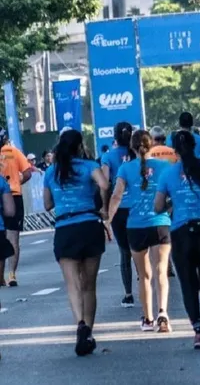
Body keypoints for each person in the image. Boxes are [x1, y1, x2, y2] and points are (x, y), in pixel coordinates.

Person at [155, 131, 200, 349]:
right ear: (195, 146)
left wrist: (171, 205)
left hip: (181, 231)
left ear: (174, 150)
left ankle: (198, 332)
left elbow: (157, 207)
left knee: (188, 284)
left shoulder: (168, 174)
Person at [42, 130, 110, 356]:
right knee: (89, 285)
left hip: (65, 228)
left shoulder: (51, 171)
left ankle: (79, 324)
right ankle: (88, 331)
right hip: (89, 224)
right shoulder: (89, 165)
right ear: (80, 146)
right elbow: (105, 184)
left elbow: (47, 204)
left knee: (73, 284)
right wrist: (102, 205)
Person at [109, 130, 173, 333]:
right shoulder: (164, 166)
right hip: (160, 223)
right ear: (151, 144)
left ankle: (147, 318)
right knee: (161, 271)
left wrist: (107, 220)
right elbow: (172, 193)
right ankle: (163, 312)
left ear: (132, 147)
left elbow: (117, 196)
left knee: (143, 275)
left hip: (135, 226)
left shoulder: (125, 168)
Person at [101, 122, 136, 307]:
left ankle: (128, 293)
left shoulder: (108, 156)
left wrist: (105, 209)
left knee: (125, 252)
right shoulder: (137, 155)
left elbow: (105, 184)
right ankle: (147, 285)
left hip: (119, 209)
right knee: (141, 251)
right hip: (138, 207)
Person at [0, 127, 34, 287]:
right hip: (13, 196)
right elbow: (27, 172)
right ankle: (12, 274)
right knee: (13, 237)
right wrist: (15, 183)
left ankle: (0, 276)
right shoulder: (13, 152)